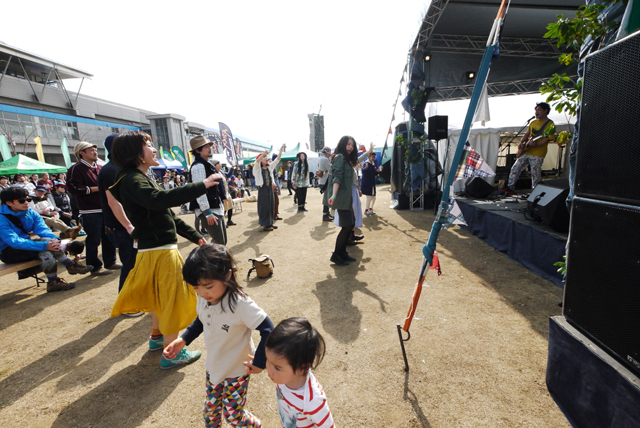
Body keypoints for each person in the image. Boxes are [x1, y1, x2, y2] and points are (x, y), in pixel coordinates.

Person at [108, 130, 222, 369]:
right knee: (171, 299)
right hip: (159, 251)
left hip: (156, 249)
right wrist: (200, 185)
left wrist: (196, 236)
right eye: (148, 145)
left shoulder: (139, 177)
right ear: (136, 153)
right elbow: (161, 201)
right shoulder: (132, 179)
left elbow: (167, 214)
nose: (153, 149)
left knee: (160, 298)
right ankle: (172, 353)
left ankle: (157, 338)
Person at [164, 243, 273, 427]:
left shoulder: (241, 304)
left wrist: (260, 362)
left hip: (236, 371)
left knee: (233, 416)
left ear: (227, 274)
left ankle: (254, 425)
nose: (201, 293)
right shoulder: (204, 296)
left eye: (208, 286)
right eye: (196, 287)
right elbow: (201, 319)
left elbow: (268, 330)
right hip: (214, 367)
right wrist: (183, 339)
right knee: (210, 412)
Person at [0, 187, 92, 292]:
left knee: (46, 250)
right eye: (22, 201)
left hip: (27, 248)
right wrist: (45, 244)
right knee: (44, 245)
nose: (27, 203)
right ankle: (69, 265)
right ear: (9, 203)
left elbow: (43, 229)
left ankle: (53, 282)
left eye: (28, 199)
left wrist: (54, 239)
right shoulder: (1, 218)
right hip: (8, 252)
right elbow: (14, 242)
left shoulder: (30, 213)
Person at [265, 317, 334, 428]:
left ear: (302, 368)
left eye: (277, 367)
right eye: (267, 359)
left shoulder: (312, 401)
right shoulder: (284, 375)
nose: (268, 369)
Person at [97, 134, 140, 301]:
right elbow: (113, 202)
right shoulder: (110, 170)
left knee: (135, 264)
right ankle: (126, 302)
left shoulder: (120, 168)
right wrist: (129, 226)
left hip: (128, 226)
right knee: (129, 264)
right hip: (121, 227)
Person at [67, 141, 118, 276]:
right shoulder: (75, 169)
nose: (95, 152)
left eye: (95, 150)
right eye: (91, 150)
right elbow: (74, 188)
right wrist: (98, 189)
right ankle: (94, 266)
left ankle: (110, 261)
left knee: (108, 236)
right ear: (81, 153)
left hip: (104, 208)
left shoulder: (100, 168)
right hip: (89, 211)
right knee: (94, 239)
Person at [504, 102, 556, 193]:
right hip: (527, 151)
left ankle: (535, 192)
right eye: (536, 110)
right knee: (515, 168)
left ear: (545, 111)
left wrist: (536, 145)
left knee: (535, 173)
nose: (536, 112)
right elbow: (527, 134)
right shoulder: (533, 122)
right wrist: (521, 142)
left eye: (539, 109)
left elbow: (547, 139)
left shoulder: (550, 124)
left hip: (538, 153)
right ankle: (510, 188)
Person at [188, 136, 228, 245]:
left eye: (209, 146)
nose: (209, 148)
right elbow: (199, 190)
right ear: (197, 150)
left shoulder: (207, 164)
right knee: (219, 242)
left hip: (215, 207)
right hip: (208, 210)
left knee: (222, 241)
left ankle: (213, 261)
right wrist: (207, 212)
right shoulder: (199, 166)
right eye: (205, 147)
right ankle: (208, 261)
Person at [327, 135, 358, 265]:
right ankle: (336, 254)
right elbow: (337, 177)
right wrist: (333, 195)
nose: (350, 147)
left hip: (347, 196)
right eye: (348, 144)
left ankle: (343, 252)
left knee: (350, 224)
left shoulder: (346, 159)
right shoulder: (339, 158)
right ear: (343, 144)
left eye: (352, 145)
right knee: (347, 226)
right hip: (341, 197)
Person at [253, 146, 284, 231]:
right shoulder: (257, 168)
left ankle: (270, 223)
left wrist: (280, 151)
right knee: (264, 206)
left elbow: (277, 160)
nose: (266, 158)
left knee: (271, 205)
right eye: (264, 158)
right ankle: (265, 225)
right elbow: (257, 161)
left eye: (266, 157)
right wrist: (263, 154)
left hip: (270, 188)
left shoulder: (269, 167)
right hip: (262, 189)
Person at [361, 151, 382, 216]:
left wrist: (379, 170)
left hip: (371, 183)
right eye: (372, 157)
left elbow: (374, 172)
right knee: (369, 197)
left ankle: (370, 209)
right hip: (367, 183)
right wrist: (366, 168)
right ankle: (366, 210)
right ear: (368, 157)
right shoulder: (366, 163)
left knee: (374, 197)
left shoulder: (373, 164)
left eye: (374, 157)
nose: (373, 158)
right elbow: (363, 170)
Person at [317, 147, 334, 222]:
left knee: (326, 198)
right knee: (327, 198)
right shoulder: (324, 159)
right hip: (325, 180)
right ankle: (325, 214)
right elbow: (330, 168)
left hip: (322, 180)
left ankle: (327, 213)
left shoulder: (320, 158)